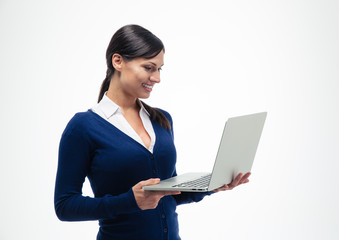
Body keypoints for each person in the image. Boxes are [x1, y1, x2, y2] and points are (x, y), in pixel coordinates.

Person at [54, 24, 251, 240]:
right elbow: (65, 205)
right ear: (117, 61)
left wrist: (212, 185)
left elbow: (169, 195)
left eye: (159, 69)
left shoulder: (162, 120)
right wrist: (129, 201)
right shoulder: (83, 127)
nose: (157, 78)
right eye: (149, 68)